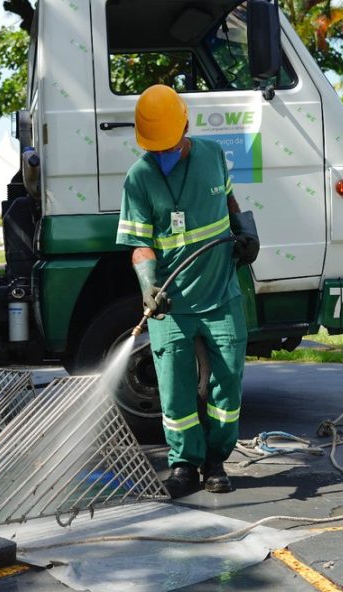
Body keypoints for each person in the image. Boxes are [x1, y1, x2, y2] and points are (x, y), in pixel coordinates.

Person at [116, 85, 258, 498]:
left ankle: (216, 460)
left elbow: (230, 200)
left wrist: (245, 230)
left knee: (227, 384)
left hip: (221, 295)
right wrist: (148, 287)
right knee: (175, 387)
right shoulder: (139, 179)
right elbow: (141, 245)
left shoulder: (212, 155)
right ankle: (183, 463)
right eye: (154, 148)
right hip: (171, 305)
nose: (162, 154)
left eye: (169, 145)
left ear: (186, 128)